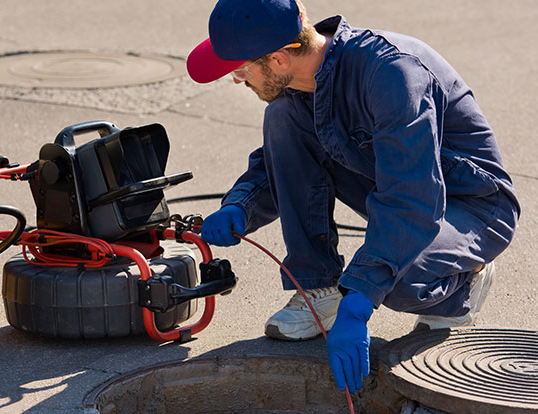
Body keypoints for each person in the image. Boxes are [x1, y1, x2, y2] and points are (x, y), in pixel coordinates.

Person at [186, 0, 520, 393]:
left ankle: (463, 283)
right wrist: (239, 206)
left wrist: (360, 299)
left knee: (393, 280)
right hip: (395, 185)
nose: (237, 79)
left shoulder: (392, 74)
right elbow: (282, 159)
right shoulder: (302, 80)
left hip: (471, 204)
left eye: (241, 69)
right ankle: (319, 289)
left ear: (278, 59)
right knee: (283, 116)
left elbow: (411, 200)